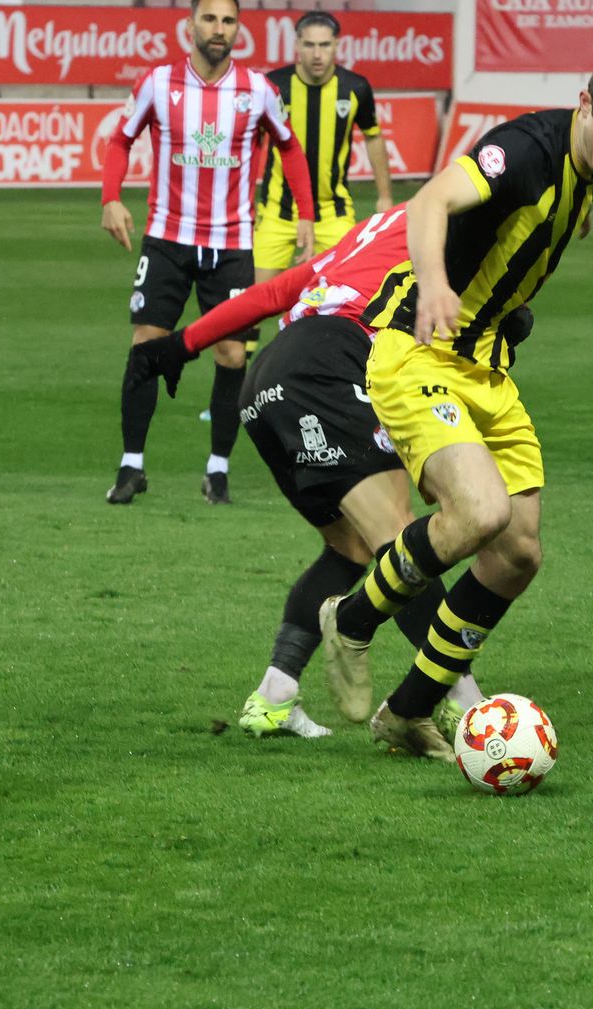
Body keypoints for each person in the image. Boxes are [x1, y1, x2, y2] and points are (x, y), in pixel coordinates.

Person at [312, 49, 593, 758]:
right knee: (480, 513)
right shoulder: (526, 151)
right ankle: (350, 620)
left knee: (517, 555)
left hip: (486, 372)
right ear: (584, 101)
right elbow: (430, 200)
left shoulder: (590, 170)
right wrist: (434, 282)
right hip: (419, 352)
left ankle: (409, 710)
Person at [132, 208, 534, 740]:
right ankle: (463, 703)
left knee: (351, 550)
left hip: (268, 379)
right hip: (333, 365)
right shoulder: (447, 228)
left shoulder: (367, 236)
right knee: (401, 541)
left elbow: (271, 296)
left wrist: (181, 344)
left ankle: (274, 697)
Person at [101, 0, 316, 507]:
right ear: (190, 25)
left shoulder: (258, 90)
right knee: (146, 347)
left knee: (231, 355)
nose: (219, 30)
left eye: (228, 21)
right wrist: (111, 198)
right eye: (210, 19)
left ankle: (217, 470)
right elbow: (120, 139)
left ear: (237, 30)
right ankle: (132, 467)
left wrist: (306, 213)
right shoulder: (159, 84)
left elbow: (289, 147)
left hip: (232, 246)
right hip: (168, 240)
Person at [252, 11, 394, 286]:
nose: (317, 54)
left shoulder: (355, 88)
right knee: (249, 306)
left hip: (333, 213)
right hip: (276, 212)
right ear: (297, 45)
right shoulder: (273, 87)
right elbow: (250, 140)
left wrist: (385, 196)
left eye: (325, 45)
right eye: (309, 45)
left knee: (338, 299)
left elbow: (373, 137)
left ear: (337, 45)